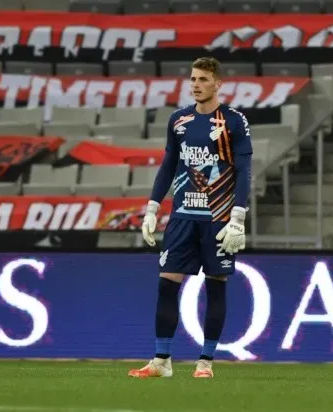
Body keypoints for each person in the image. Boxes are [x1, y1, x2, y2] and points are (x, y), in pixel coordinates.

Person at [128, 57, 253, 379]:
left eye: (203, 79)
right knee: (167, 285)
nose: (196, 84)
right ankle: (161, 361)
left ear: (217, 84)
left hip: (219, 219)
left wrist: (238, 217)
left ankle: (205, 362)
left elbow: (243, 171)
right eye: (193, 79)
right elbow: (169, 165)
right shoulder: (178, 120)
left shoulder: (234, 122)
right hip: (182, 217)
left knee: (216, 287)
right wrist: (153, 207)